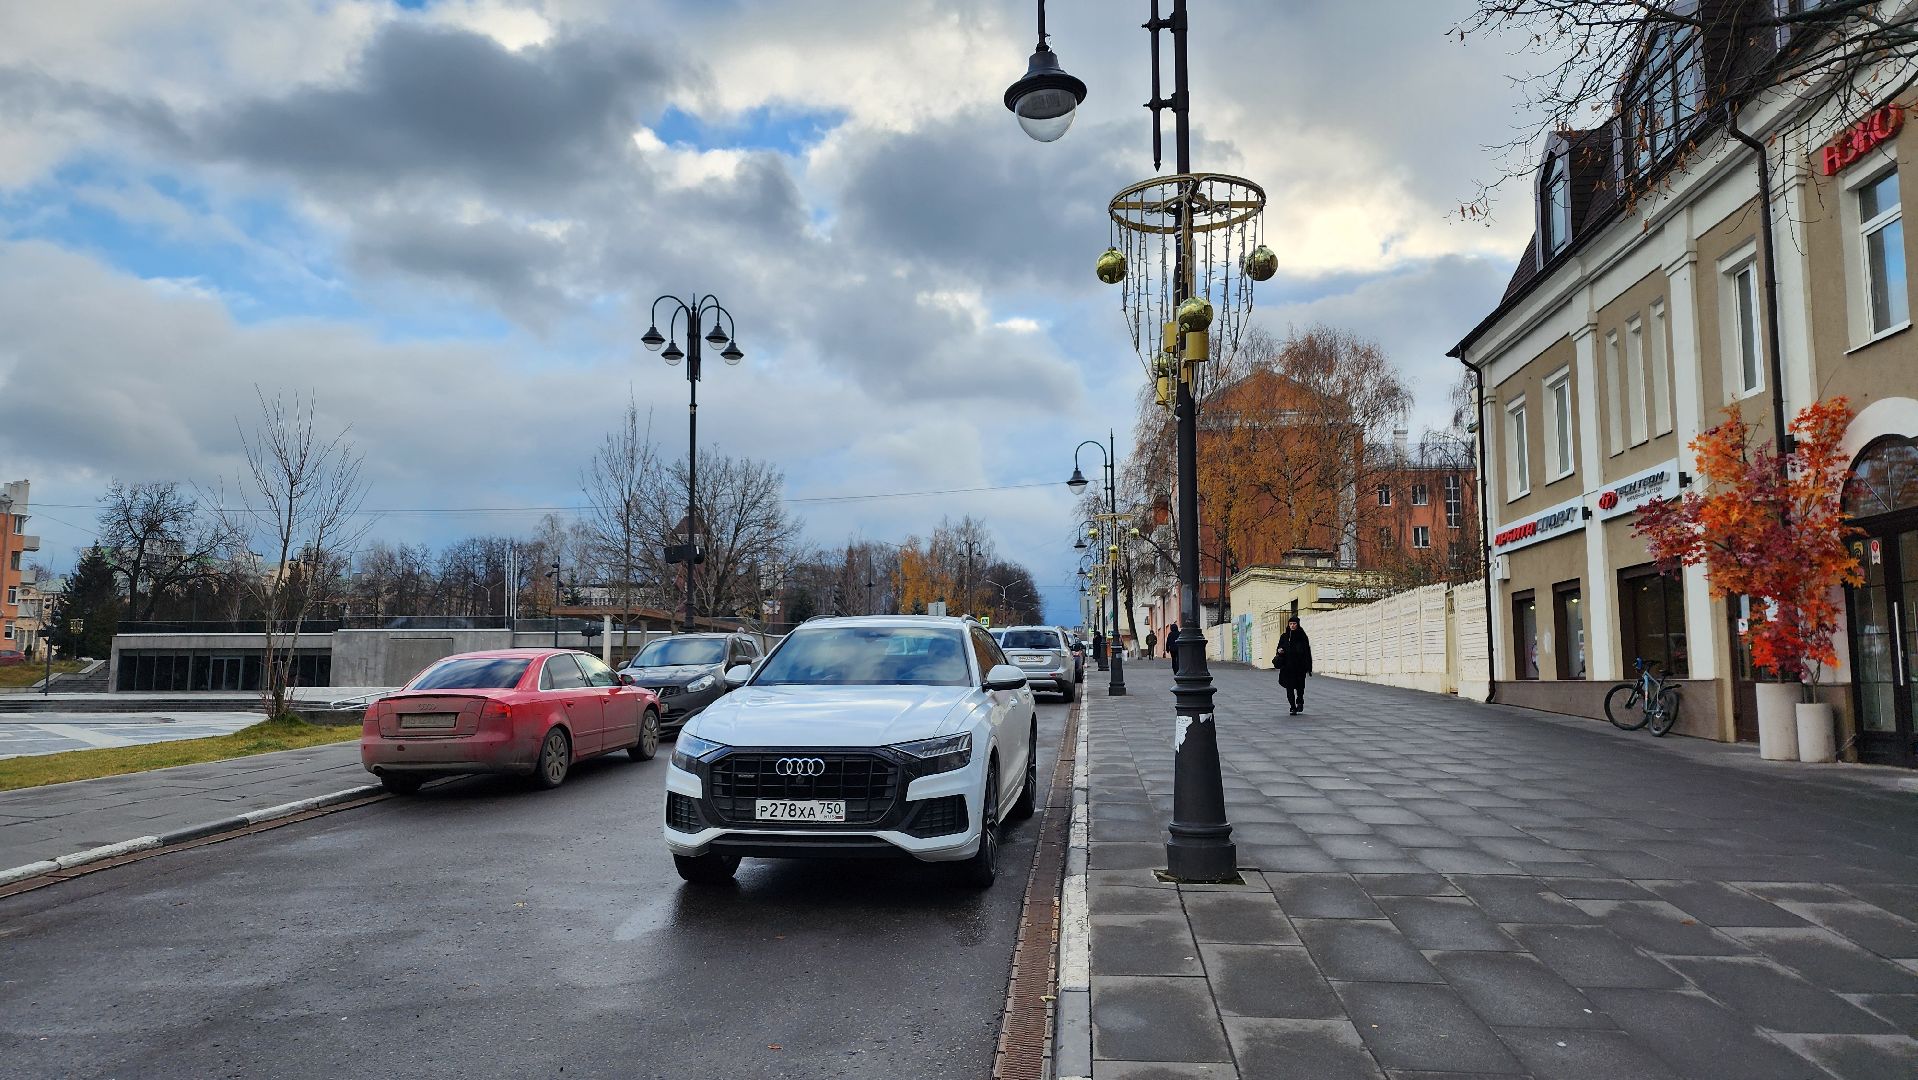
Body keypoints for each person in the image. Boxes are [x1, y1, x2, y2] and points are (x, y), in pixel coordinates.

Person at [1273, 616, 1313, 715]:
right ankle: (1292, 707)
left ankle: (1300, 702)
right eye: (1290, 624)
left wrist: (1308, 666)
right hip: (1287, 667)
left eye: (1294, 624)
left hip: (1300, 667)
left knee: (1300, 687)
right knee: (1289, 688)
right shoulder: (1284, 636)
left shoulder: (1302, 636)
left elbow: (1307, 652)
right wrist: (1280, 651)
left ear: (1297, 624)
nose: (1292, 625)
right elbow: (1279, 648)